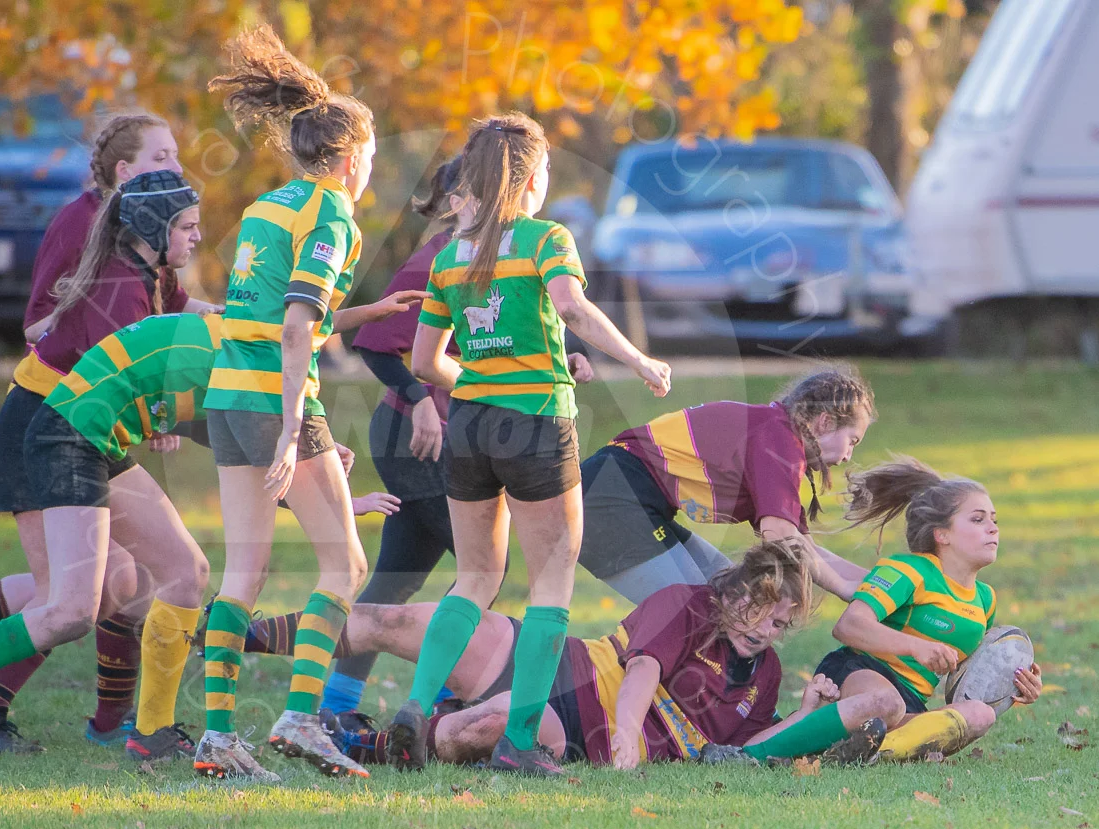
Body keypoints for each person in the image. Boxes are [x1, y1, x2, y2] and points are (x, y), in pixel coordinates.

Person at [0, 113, 211, 753]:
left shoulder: (142, 266)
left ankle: (147, 733)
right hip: (48, 427)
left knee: (176, 571)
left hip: (87, 432)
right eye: (190, 227)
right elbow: (115, 377)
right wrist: (186, 422)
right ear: (140, 200)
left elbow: (164, 349)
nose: (198, 236)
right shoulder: (113, 281)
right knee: (69, 607)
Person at [390, 112, 671, 777]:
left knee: (475, 578)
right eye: (546, 170)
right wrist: (638, 360)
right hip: (537, 424)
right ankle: (520, 743)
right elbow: (569, 306)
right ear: (532, 177)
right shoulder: (546, 237)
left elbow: (428, 363)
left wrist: (488, 378)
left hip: (470, 425)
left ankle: (416, 704)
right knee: (551, 584)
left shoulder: (450, 257)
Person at [195, 24, 428, 781]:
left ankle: (219, 735)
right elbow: (296, 327)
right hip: (272, 399)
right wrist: (296, 426)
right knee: (345, 565)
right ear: (353, 156)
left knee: (244, 574)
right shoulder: (333, 215)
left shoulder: (268, 207)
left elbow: (279, 312)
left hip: (227, 396)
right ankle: (300, 717)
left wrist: (366, 312)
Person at [321, 155, 592, 721]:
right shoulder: (440, 261)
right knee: (480, 579)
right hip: (418, 435)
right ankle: (444, 700)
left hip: (463, 427)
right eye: (473, 193)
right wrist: (421, 403)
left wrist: (554, 360)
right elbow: (378, 344)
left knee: (400, 574)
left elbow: (492, 346)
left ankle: (337, 707)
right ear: (455, 201)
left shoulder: (501, 254)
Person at [240, 541, 883, 768]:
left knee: (492, 726)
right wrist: (630, 731)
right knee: (402, 618)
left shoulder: (764, 674)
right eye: (760, 614)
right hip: (553, 662)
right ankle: (250, 634)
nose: (767, 632)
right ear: (737, 594)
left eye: (780, 625)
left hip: (570, 728)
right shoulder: (689, 602)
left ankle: (369, 745)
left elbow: (749, 746)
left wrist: (804, 709)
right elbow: (643, 669)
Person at [727, 458, 1043, 763]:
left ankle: (866, 752)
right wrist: (916, 646)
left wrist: (1011, 685)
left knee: (979, 715)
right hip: (860, 673)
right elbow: (848, 626)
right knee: (885, 701)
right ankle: (746, 756)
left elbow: (965, 683)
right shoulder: (907, 570)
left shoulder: (985, 600)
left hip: (910, 705)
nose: (993, 528)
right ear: (941, 534)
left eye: (994, 520)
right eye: (978, 519)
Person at [579, 368, 877, 605]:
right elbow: (781, 539)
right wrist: (846, 591)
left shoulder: (777, 435)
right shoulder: (778, 439)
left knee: (733, 600)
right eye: (852, 441)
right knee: (702, 616)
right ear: (824, 422)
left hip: (632, 498)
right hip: (611, 496)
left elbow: (803, 545)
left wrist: (878, 584)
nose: (849, 455)